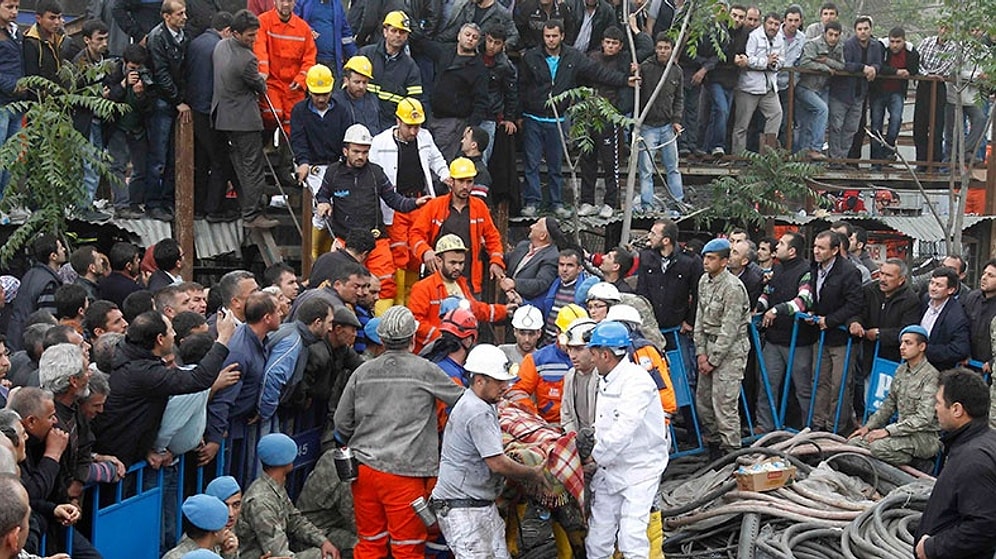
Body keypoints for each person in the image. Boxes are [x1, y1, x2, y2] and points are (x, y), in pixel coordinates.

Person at [333, 306, 464, 559]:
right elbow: (463, 401)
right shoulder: (425, 370)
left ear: (381, 340)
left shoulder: (363, 371)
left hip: (364, 474)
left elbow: (341, 424)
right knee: (408, 548)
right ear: (413, 339)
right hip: (406, 475)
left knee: (370, 544)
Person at [430, 344, 545, 558]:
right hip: (463, 509)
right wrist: (532, 474)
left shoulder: (483, 402)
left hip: (479, 504)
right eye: (499, 381)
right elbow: (497, 463)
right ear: (480, 380)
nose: (505, 387)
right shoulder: (476, 411)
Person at [518, 19, 633, 218]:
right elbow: (521, 86)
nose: (551, 40)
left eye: (554, 36)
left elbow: (598, 72)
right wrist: (518, 113)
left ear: (562, 36)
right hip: (534, 116)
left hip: (558, 119)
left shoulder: (574, 56)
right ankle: (532, 202)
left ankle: (557, 203)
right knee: (532, 163)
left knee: (556, 164)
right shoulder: (531, 56)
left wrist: (624, 80)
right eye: (547, 36)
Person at [92, 310, 238, 467]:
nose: (174, 334)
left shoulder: (131, 354)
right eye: (170, 330)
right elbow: (198, 379)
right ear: (160, 339)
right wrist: (223, 339)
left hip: (131, 450)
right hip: (121, 458)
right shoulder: (141, 371)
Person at [314, 123, 431, 309]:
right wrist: (323, 202)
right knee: (344, 285)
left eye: (365, 152)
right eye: (356, 151)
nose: (361, 156)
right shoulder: (333, 173)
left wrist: (413, 204)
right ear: (345, 151)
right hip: (345, 242)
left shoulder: (375, 172)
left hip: (376, 241)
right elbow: (322, 194)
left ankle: (380, 328)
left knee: (385, 285)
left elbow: (393, 199)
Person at [584, 321, 668, 559]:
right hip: (611, 467)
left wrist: (595, 456)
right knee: (598, 538)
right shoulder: (607, 378)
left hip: (640, 470)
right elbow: (605, 423)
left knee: (631, 537)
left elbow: (624, 428)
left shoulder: (637, 382)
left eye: (593, 353)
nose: (590, 358)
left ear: (605, 354)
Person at [368, 97, 450, 306]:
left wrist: (444, 174)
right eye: (409, 126)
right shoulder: (380, 142)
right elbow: (372, 172)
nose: (414, 131)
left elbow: (436, 159)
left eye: (417, 126)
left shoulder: (425, 138)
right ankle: (397, 302)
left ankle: (411, 301)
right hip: (395, 205)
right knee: (398, 253)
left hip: (420, 202)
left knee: (416, 253)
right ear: (398, 121)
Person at [915, 368, 996, 559]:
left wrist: (933, 547)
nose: (935, 408)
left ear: (957, 409)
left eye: (939, 402)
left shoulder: (974, 460)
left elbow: (984, 525)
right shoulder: (979, 441)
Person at [213, 9, 280, 229]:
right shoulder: (248, 59)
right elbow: (259, 85)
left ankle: (247, 205)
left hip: (224, 116)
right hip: (244, 120)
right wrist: (261, 78)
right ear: (236, 33)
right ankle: (252, 214)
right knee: (253, 167)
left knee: (239, 163)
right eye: (250, 35)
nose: (254, 39)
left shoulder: (221, 46)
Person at [410, 158, 505, 297]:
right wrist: (426, 252)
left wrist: (496, 261)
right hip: (438, 280)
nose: (465, 186)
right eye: (461, 181)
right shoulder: (435, 206)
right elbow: (415, 234)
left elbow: (493, 237)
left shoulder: (479, 207)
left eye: (469, 181)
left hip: (469, 282)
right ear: (451, 181)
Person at [237, 434, 340, 559]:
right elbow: (278, 553)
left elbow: (295, 520)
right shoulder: (261, 502)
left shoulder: (274, 486)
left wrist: (323, 541)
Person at [848, 325, 940, 467]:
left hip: (923, 437)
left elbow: (924, 418)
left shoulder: (931, 376)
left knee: (878, 447)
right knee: (855, 442)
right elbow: (889, 403)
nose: (902, 347)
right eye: (902, 342)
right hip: (901, 433)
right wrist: (868, 427)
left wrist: (887, 431)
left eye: (908, 343)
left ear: (922, 347)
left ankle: (914, 464)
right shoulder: (901, 370)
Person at [693, 239, 750, 458]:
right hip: (708, 345)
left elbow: (730, 328)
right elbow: (699, 317)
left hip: (730, 351)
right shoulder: (704, 281)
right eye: (705, 258)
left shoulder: (733, 287)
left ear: (724, 261)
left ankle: (731, 453)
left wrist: (713, 360)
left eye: (711, 258)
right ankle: (714, 450)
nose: (706, 262)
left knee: (724, 405)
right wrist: (701, 353)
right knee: (704, 404)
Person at [407, 235, 509, 351]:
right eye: (453, 263)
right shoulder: (423, 287)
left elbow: (477, 309)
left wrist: (505, 311)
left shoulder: (462, 284)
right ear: (439, 261)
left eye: (461, 263)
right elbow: (416, 322)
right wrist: (443, 337)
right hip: (433, 351)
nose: (457, 267)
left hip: (460, 350)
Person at [291, 63, 351, 256]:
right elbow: (298, 139)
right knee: (320, 209)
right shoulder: (299, 111)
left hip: (337, 165)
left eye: (324, 93)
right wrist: (303, 162)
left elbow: (346, 138)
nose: (321, 98)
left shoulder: (342, 111)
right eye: (317, 94)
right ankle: (314, 255)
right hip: (313, 166)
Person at [809, 231, 864, 433]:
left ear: (834, 250)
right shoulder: (814, 267)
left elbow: (855, 303)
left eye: (821, 248)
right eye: (815, 246)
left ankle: (836, 428)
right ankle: (818, 424)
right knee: (819, 381)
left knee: (839, 385)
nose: (816, 251)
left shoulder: (849, 271)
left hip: (841, 338)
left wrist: (830, 321)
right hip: (820, 336)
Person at [637, 219, 702, 388]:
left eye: (653, 234)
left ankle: (687, 414)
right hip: (651, 328)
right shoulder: (646, 256)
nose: (649, 237)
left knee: (684, 376)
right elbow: (641, 292)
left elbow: (698, 294)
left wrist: (690, 321)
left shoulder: (690, 261)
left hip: (677, 328)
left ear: (666, 240)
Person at [186, 12, 237, 222]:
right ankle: (214, 209)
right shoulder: (220, 48)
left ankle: (198, 207)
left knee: (202, 160)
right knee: (220, 160)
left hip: (195, 108)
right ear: (226, 31)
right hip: (210, 111)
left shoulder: (196, 43)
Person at [144, 0, 190, 222]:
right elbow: (161, 73)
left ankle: (168, 200)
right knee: (158, 156)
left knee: (174, 155)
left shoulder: (183, 36)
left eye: (184, 13)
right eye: (180, 13)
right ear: (166, 16)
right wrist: (177, 99)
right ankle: (153, 202)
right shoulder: (157, 38)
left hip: (175, 99)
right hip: (162, 101)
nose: (184, 17)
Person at [505, 304, 586, 423]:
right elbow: (517, 391)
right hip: (551, 425)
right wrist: (535, 418)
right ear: (557, 332)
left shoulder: (594, 358)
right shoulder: (537, 360)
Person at [637, 33, 684, 213]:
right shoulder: (646, 67)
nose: (663, 51)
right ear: (655, 48)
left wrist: (677, 120)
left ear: (672, 49)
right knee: (646, 169)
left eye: (667, 48)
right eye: (660, 47)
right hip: (647, 126)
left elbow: (679, 98)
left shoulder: (676, 70)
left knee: (673, 167)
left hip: (667, 125)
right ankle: (646, 206)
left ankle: (677, 202)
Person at [254, 0, 317, 132]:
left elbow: (309, 59)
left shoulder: (303, 28)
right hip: (271, 82)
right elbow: (260, 51)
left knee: (294, 122)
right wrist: (262, 75)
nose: (286, 4)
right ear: (274, 2)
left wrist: (301, 79)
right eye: (282, 0)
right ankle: (268, 142)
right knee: (272, 114)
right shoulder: (263, 22)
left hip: (294, 87)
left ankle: (286, 151)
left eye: (289, 1)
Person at [356, 11, 423, 132]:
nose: (398, 35)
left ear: (407, 36)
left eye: (402, 32)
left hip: (390, 126)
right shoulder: (365, 55)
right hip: (360, 120)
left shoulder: (411, 67)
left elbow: (414, 102)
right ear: (385, 32)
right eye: (394, 30)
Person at [827, 16, 882, 162]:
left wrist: (874, 69)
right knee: (836, 127)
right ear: (855, 30)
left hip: (860, 94)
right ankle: (834, 159)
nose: (863, 32)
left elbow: (878, 63)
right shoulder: (848, 44)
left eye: (866, 29)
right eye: (860, 29)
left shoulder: (876, 45)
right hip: (841, 93)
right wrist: (863, 68)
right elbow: (846, 64)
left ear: (871, 29)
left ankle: (843, 159)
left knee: (851, 128)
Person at [732, 12, 784, 156]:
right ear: (764, 23)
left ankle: (768, 154)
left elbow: (781, 60)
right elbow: (748, 59)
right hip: (750, 86)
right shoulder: (754, 36)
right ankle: (738, 157)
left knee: (776, 114)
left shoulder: (779, 38)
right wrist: (765, 62)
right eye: (770, 23)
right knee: (742, 124)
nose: (773, 27)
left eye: (776, 24)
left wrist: (773, 64)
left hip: (769, 86)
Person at [702, 4, 747, 158]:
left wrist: (745, 58)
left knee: (720, 114)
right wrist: (731, 58)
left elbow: (748, 51)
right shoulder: (719, 29)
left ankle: (707, 147)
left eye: (741, 17)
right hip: (715, 77)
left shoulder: (746, 33)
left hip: (732, 80)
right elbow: (714, 53)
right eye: (734, 15)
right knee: (721, 109)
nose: (737, 19)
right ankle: (717, 146)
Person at [7, 235, 66, 352]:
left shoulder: (30, 274)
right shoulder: (49, 282)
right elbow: (47, 321)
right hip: (29, 343)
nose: (64, 249)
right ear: (53, 256)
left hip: (16, 335)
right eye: (60, 248)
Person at [870, 27, 918, 164]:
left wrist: (907, 72)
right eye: (892, 41)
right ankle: (876, 161)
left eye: (898, 42)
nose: (895, 45)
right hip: (879, 91)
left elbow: (914, 69)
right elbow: (878, 65)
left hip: (897, 91)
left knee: (896, 120)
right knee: (876, 125)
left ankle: (888, 149)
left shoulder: (910, 51)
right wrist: (896, 72)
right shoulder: (881, 47)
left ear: (904, 41)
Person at [795, 20, 843, 160]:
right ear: (825, 33)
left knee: (810, 122)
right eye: (830, 34)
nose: (833, 38)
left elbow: (842, 65)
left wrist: (827, 61)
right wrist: (824, 68)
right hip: (805, 87)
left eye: (836, 35)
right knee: (822, 110)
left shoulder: (839, 47)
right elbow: (805, 62)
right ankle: (815, 148)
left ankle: (806, 155)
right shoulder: (813, 43)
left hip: (822, 88)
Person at [501, 217, 561, 308]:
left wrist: (515, 283)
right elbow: (506, 259)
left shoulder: (552, 256)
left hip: (527, 309)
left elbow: (541, 283)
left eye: (536, 225)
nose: (531, 226)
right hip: (505, 302)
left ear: (542, 236)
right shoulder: (523, 246)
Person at [920, 267, 970, 372]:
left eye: (939, 285)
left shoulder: (956, 316)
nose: (933, 288)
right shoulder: (925, 300)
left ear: (951, 290)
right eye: (932, 283)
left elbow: (960, 349)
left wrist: (925, 350)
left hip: (938, 370)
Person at [294, 0, 356, 80]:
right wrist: (307, 30)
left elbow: (345, 34)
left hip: (332, 62)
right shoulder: (303, 2)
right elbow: (293, 22)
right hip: (310, 61)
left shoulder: (337, 4)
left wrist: (355, 57)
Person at [162, 494, 239, 559]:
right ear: (216, 531)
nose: (227, 531)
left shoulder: (216, 547)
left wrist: (227, 554)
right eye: (224, 526)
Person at [0, 0, 23, 198]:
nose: (14, 11)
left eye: (17, 7)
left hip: (17, 105)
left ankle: (3, 204)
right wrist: (13, 86)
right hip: (2, 104)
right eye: (9, 7)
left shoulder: (15, 33)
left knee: (11, 158)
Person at [560, 318, 598, 435]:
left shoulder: (605, 378)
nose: (572, 356)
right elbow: (566, 415)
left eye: (578, 349)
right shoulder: (570, 376)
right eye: (570, 349)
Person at [963, 260, 996, 372]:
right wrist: (964, 353)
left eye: (991, 275)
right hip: (969, 364)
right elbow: (962, 328)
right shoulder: (972, 298)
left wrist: (992, 363)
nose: (984, 278)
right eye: (984, 273)